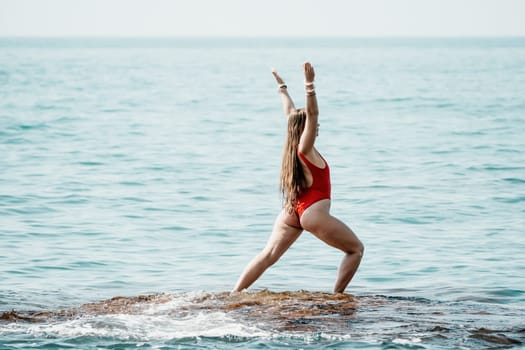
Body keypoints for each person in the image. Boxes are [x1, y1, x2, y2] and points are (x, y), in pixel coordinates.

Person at [233, 62, 364, 294]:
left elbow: (290, 113)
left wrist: (282, 88)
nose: (317, 127)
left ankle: (234, 294)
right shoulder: (305, 148)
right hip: (313, 212)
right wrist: (309, 85)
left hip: (293, 210)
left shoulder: (293, 146)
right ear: (305, 130)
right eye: (313, 127)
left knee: (268, 255)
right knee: (355, 249)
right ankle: (336, 297)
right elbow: (312, 114)